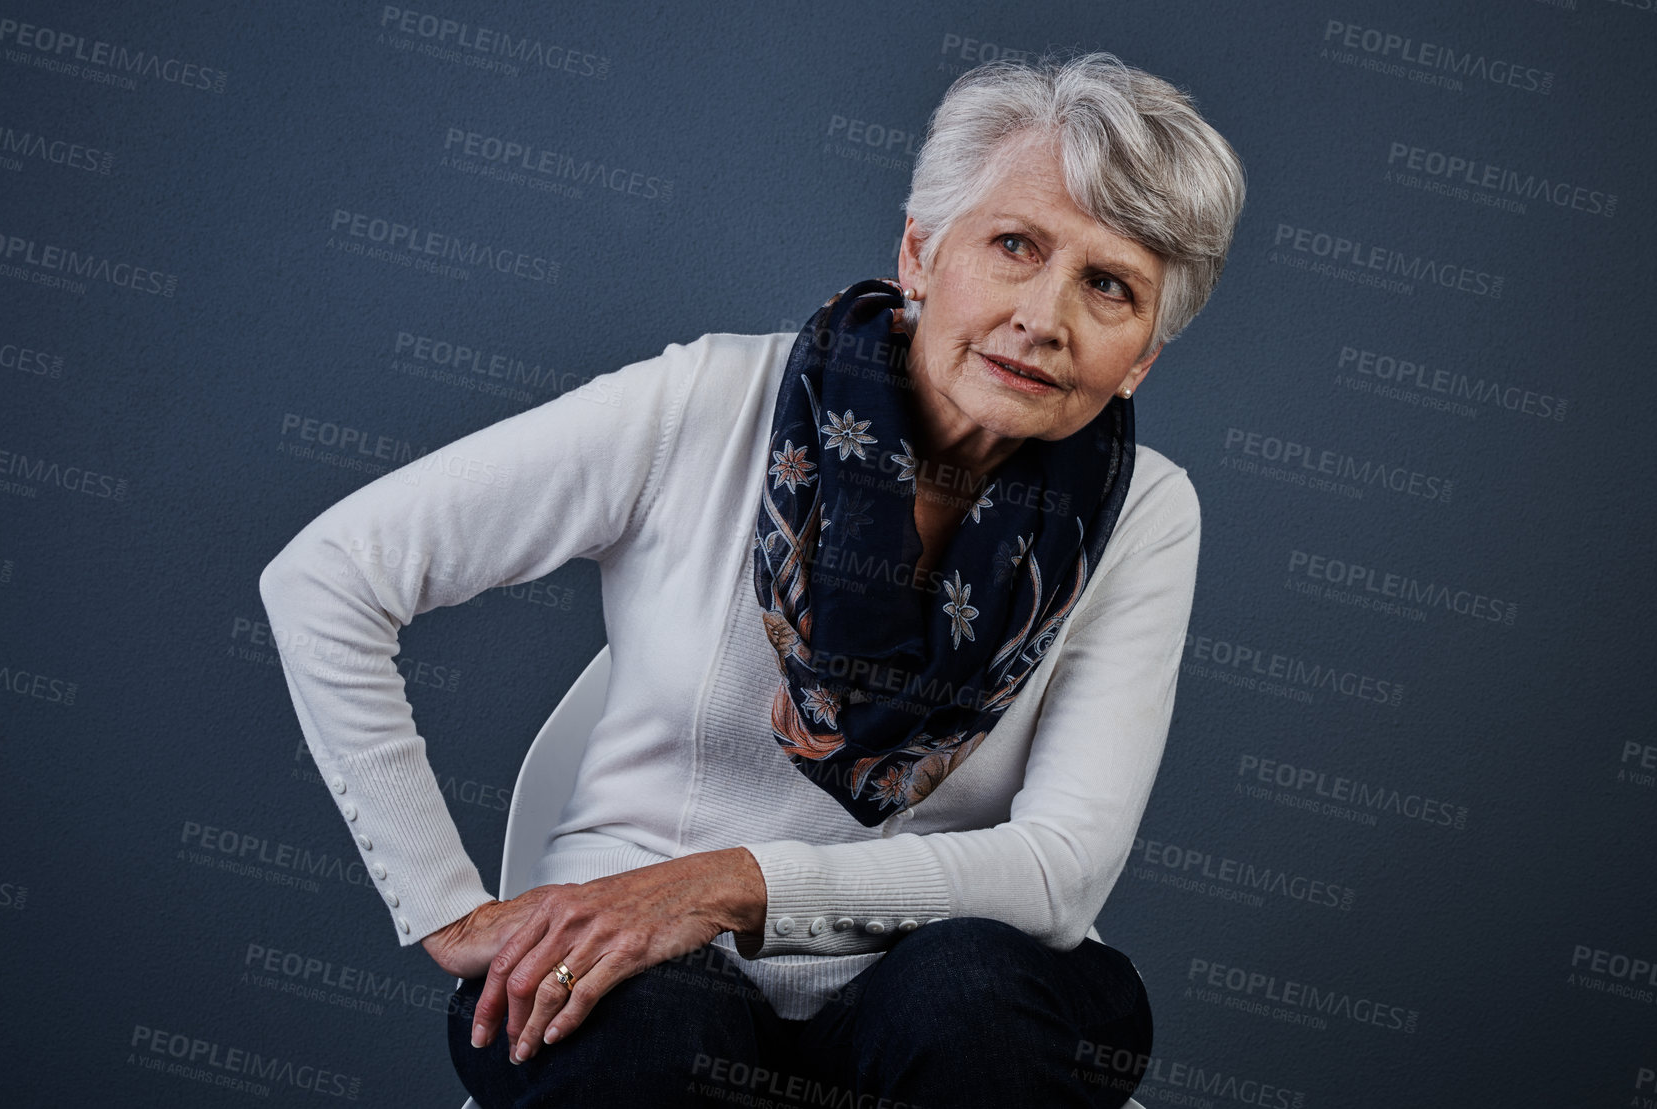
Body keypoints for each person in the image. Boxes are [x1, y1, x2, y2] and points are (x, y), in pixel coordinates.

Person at [259, 50, 1243, 1108]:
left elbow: (1057, 870)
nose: (1044, 317)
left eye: (1108, 286)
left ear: (1140, 353)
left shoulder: (1142, 509)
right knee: (631, 1034)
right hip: (639, 955)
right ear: (920, 251)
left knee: (978, 1005)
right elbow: (330, 575)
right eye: (1014, 244)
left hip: (935, 990)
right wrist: (443, 905)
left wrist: (731, 884)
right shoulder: (705, 403)